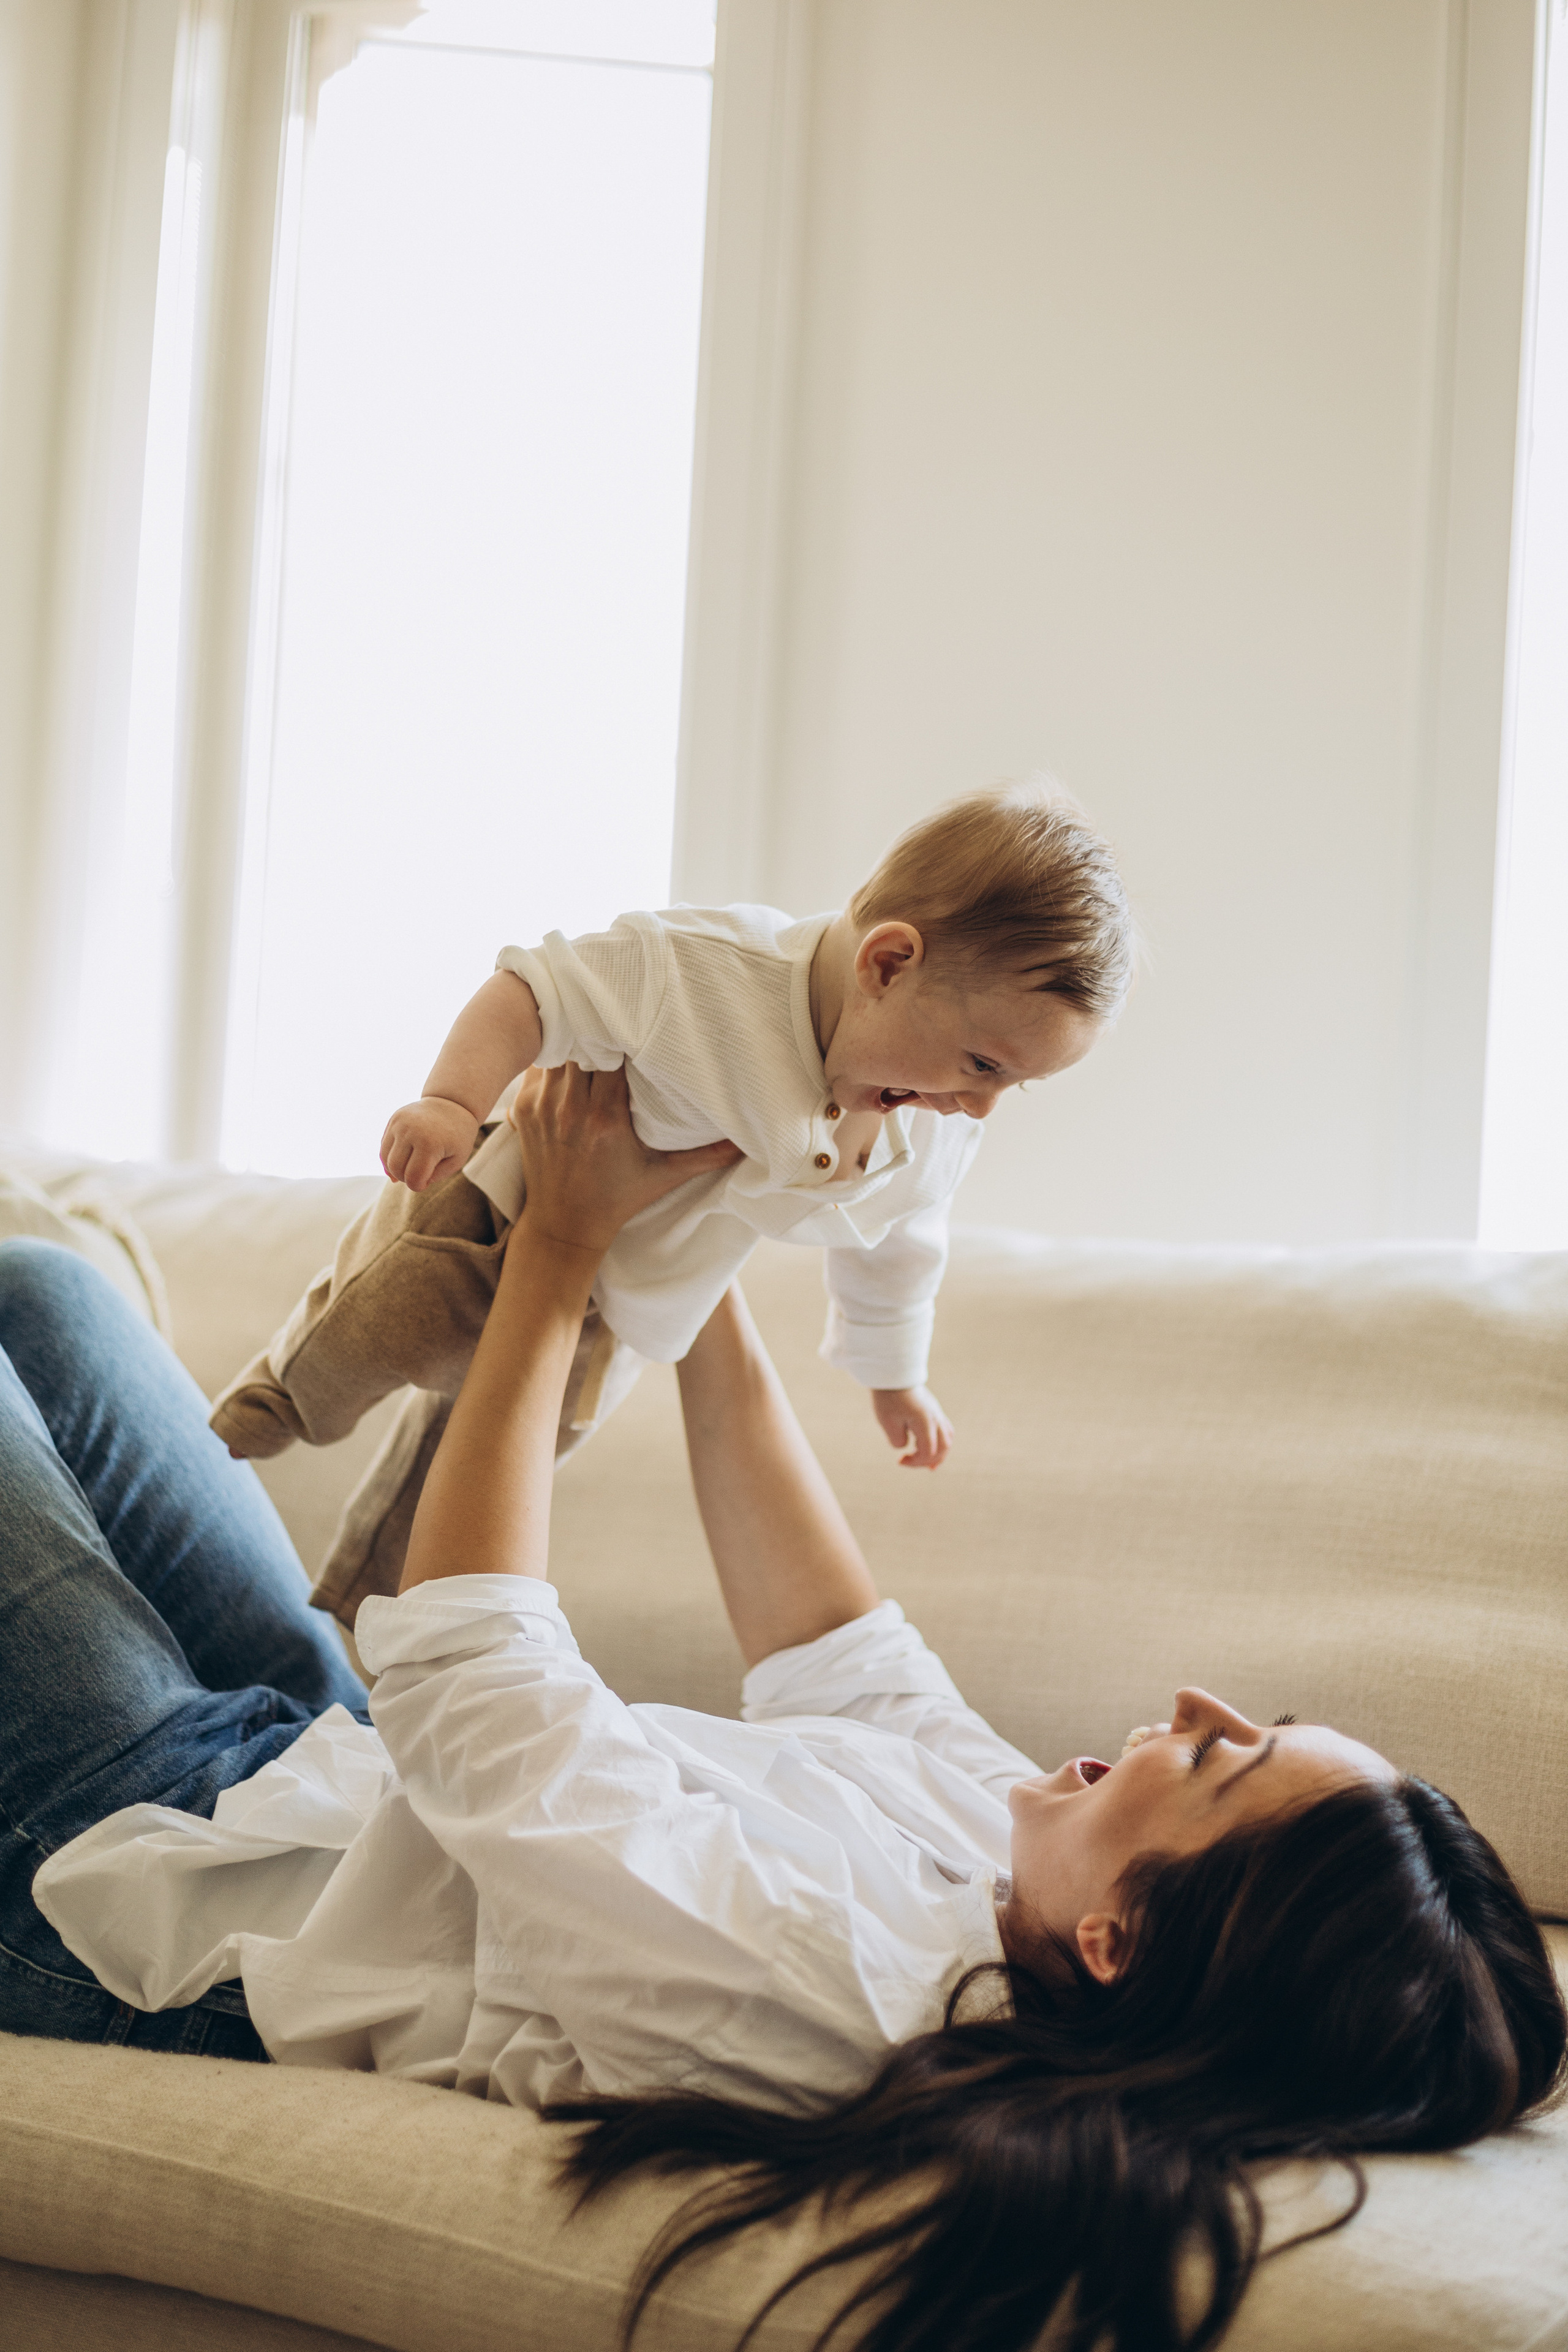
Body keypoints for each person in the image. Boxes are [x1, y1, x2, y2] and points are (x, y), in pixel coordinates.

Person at [3, 1070, 1562, 2352]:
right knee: (46, 1292)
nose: (1189, 1704)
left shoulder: (827, 2003)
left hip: (159, 1885)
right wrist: (700, 1256)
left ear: (1123, 1942)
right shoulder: (1018, 1872)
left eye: (1223, 1760)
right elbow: (840, 1648)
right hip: (327, 1763)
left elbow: (480, 1679)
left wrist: (557, 1255)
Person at [205, 780, 1132, 1627]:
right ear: (888, 964)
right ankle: (269, 1406)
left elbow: (896, 1246)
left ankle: (353, 1616)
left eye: (1016, 1087)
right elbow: (535, 989)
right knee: (371, 1334)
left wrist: (894, 1376)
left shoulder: (932, 1127)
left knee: (485, 1474)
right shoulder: (703, 972)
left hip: (617, 1311)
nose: (979, 1107)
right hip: (488, 1219)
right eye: (982, 1066)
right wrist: (453, 1099)